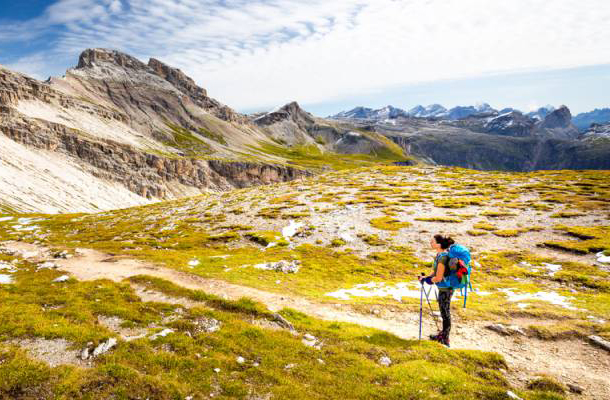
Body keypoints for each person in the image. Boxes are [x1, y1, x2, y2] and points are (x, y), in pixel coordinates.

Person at [418, 234, 455, 347]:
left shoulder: (443, 257)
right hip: (443, 287)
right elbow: (435, 273)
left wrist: (430, 280)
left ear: (439, 244)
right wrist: (426, 278)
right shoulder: (439, 255)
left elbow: (438, 277)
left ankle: (445, 338)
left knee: (445, 312)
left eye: (432, 241)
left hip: (446, 288)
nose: (431, 243)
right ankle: (443, 335)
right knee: (444, 311)